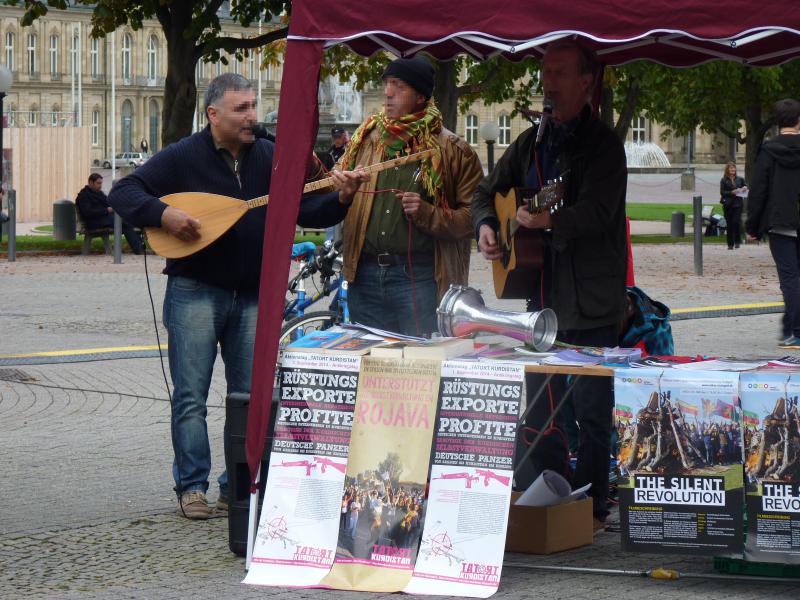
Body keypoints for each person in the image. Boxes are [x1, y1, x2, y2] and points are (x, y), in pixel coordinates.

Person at [108, 73, 366, 519]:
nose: (252, 116)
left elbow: (305, 210)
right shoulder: (183, 156)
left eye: (253, 106)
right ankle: (191, 486)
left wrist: (341, 199)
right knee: (191, 394)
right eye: (241, 109)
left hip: (253, 293)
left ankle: (238, 485)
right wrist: (163, 213)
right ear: (213, 115)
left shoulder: (268, 155)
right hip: (195, 290)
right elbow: (124, 191)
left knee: (248, 394)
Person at [472, 40, 628, 531]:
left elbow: (600, 213)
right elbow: (486, 191)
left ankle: (594, 507)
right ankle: (546, 501)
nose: (548, 84)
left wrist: (547, 222)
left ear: (586, 82)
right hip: (541, 299)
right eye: (544, 74)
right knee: (540, 405)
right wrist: (487, 226)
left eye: (559, 74)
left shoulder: (603, 146)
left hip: (592, 301)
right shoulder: (531, 144)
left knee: (590, 410)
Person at [339, 56, 483, 336]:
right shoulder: (366, 139)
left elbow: (474, 217)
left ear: (420, 96)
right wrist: (343, 188)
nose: (388, 92)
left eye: (398, 86)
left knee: (417, 370)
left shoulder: (454, 149)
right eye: (387, 84)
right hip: (364, 275)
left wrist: (429, 214)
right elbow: (334, 181)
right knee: (370, 367)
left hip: (418, 278)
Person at [746, 98, 800, 349]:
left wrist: (752, 227)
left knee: (789, 278)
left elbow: (759, 191)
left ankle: (795, 330)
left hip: (781, 221)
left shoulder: (768, 150)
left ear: (777, 122)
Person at [75, 173, 144, 254]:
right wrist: (107, 210)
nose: (100, 185)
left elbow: (108, 203)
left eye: (101, 183)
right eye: (98, 183)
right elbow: (88, 212)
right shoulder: (84, 195)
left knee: (127, 218)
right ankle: (139, 249)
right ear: (90, 182)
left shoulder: (99, 193)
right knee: (123, 222)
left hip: (103, 219)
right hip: (92, 222)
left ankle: (140, 247)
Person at [719, 162, 747, 249]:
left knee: (736, 222)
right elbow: (722, 192)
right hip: (728, 204)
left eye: (734, 168)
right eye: (731, 168)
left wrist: (745, 188)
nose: (733, 170)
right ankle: (730, 244)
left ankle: (737, 241)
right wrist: (731, 192)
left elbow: (745, 187)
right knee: (729, 224)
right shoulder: (723, 180)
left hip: (738, 204)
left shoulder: (740, 179)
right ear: (727, 169)